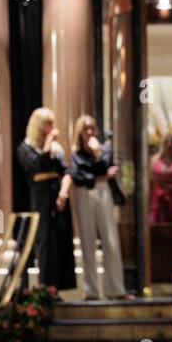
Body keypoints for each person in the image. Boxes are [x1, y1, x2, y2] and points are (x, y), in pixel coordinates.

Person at [69, 115, 128, 301]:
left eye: (91, 128)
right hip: (83, 194)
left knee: (110, 239)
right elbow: (78, 177)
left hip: (102, 193)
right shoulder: (75, 154)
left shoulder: (103, 150)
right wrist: (99, 176)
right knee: (87, 241)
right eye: (85, 128)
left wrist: (96, 156)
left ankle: (115, 289)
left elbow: (106, 168)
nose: (89, 132)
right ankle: (91, 290)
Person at [17, 107, 75, 295]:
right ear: (39, 126)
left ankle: (57, 289)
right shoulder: (25, 148)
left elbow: (66, 171)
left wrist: (63, 194)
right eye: (48, 124)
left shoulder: (57, 150)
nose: (52, 128)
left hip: (58, 197)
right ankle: (45, 289)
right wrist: (49, 143)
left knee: (61, 241)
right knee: (45, 243)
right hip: (41, 199)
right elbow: (37, 167)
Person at [149, 134, 172, 226]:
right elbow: (150, 179)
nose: (170, 144)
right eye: (167, 142)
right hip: (158, 200)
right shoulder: (155, 160)